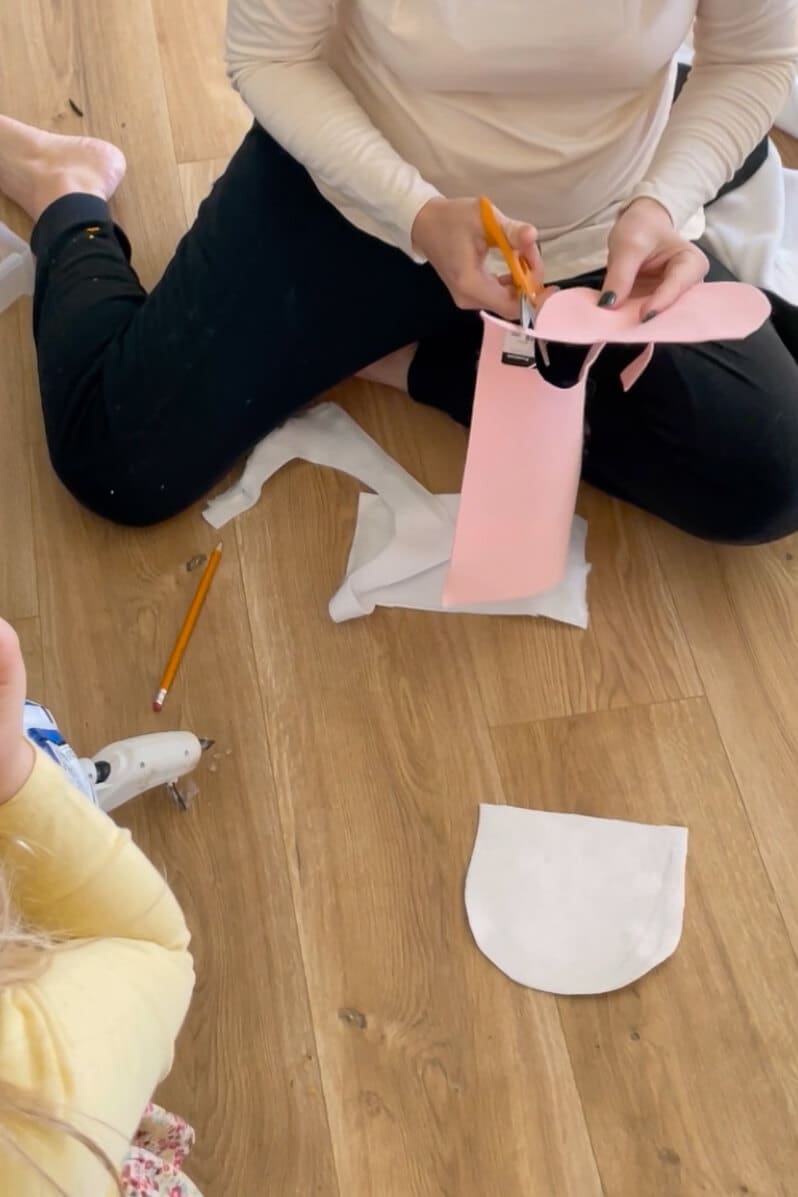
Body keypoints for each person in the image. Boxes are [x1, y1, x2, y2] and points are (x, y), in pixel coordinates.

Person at [0, 0, 797, 542]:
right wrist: (413, 211)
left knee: (769, 467)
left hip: (601, 217)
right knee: (118, 462)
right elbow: (270, 52)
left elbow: (758, 53)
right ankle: (64, 186)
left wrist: (665, 201)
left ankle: (394, 353)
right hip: (361, 187)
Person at [0, 618, 199, 1195]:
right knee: (50, 783)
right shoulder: (40, 1103)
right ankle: (71, 784)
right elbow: (156, 950)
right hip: (88, 1106)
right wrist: (13, 777)